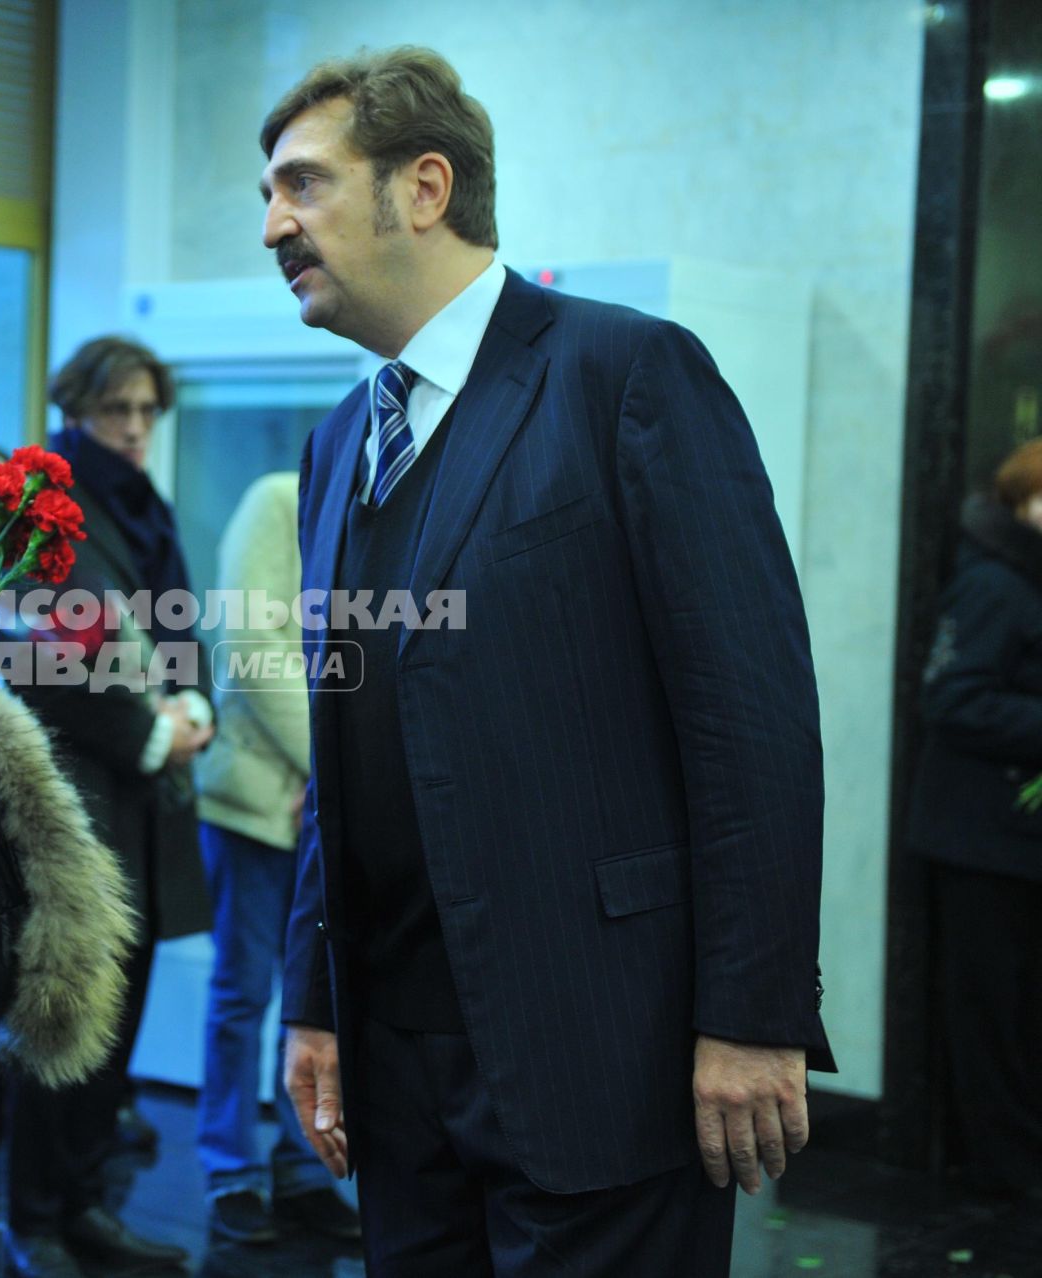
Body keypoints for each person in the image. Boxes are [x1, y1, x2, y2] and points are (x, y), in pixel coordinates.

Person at [262, 47, 833, 1276]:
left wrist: (752, 1015)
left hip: (604, 1045)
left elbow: (754, 724)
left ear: (423, 187)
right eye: (270, 195)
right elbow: (342, 750)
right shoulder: (334, 446)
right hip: (400, 1064)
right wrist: (312, 998)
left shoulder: (623, 374)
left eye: (302, 186)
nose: (274, 226)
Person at [2, 336, 214, 1278]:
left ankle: (85, 1204)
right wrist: (148, 731)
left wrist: (196, 700)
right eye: (115, 411)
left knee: (119, 1023)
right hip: (81, 797)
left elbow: (180, 622)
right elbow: (30, 656)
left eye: (146, 412)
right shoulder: (41, 505)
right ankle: (35, 1217)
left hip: (149, 797)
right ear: (76, 410)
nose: (133, 430)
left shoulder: (142, 505)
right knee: (63, 1019)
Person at [193, 470, 358, 1246]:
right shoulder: (277, 496)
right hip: (263, 800)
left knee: (317, 999)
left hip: (332, 803)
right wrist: (328, 771)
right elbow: (251, 647)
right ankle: (230, 1167)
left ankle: (301, 1167)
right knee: (242, 993)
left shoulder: (387, 497)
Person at [906, 443, 1042, 1201]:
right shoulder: (994, 581)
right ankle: (1007, 1167)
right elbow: (953, 699)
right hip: (980, 839)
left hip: (1016, 839)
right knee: (991, 1009)